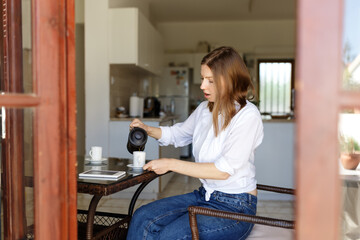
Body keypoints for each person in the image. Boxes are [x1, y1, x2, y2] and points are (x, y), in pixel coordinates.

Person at [126, 46, 264, 240]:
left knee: (169, 235)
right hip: (204, 195)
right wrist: (147, 128)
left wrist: (171, 164)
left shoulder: (247, 116)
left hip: (236, 207)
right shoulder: (204, 109)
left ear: (229, 81)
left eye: (210, 81)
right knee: (142, 218)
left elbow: (223, 170)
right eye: (202, 79)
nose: (202, 86)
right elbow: (178, 134)